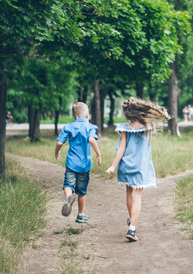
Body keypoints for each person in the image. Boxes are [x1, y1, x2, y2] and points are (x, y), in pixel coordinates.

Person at [106, 97, 170, 242]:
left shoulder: (124, 128)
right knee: (137, 196)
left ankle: (131, 220)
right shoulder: (148, 128)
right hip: (141, 167)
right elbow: (149, 147)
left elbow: (121, 148)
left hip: (126, 166)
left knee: (129, 192)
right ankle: (132, 228)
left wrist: (113, 166)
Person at [55, 102, 101, 223]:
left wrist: (57, 152)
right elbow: (91, 139)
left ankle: (68, 198)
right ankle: (80, 215)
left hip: (71, 163)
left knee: (68, 185)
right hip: (84, 165)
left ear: (74, 117)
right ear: (87, 115)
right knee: (82, 191)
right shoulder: (90, 127)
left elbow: (60, 142)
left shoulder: (68, 127)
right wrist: (98, 154)